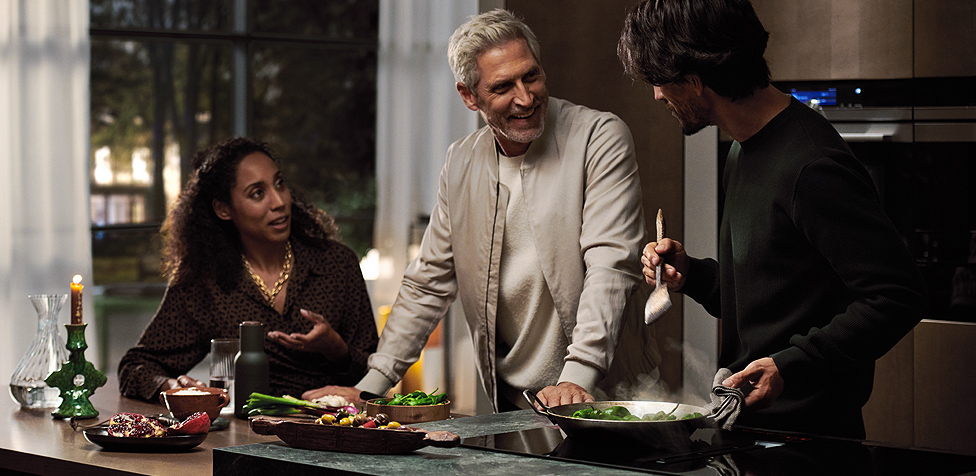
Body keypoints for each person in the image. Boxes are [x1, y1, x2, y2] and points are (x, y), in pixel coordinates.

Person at [305, 9, 661, 411]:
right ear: (469, 96)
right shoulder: (460, 162)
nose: (525, 98)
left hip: (603, 394)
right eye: (503, 87)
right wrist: (370, 386)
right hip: (513, 404)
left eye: (532, 76)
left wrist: (578, 374)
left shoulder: (599, 138)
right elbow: (427, 283)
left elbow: (611, 265)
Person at [617, 0, 928, 438]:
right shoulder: (742, 149)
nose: (657, 94)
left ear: (694, 79)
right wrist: (693, 276)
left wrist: (791, 365)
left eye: (659, 81)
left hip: (813, 444)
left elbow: (898, 296)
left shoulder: (811, 166)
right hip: (750, 431)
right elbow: (777, 294)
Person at [118, 137, 378, 402]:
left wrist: (335, 348)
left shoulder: (337, 264)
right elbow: (136, 367)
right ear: (223, 209)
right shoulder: (204, 283)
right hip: (244, 437)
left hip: (333, 429)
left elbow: (375, 376)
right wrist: (172, 386)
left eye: (280, 184)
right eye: (257, 193)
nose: (278, 201)